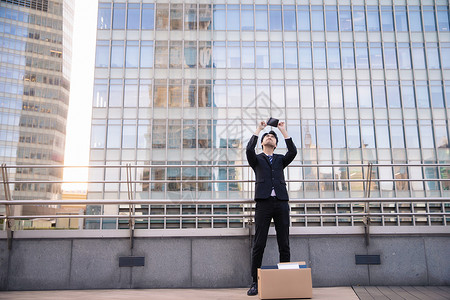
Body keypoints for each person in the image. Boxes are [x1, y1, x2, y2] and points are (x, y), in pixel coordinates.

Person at [246, 120, 297, 296]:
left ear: (275, 144)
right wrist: (259, 129)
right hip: (263, 203)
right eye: (266, 136)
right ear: (262, 143)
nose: (269, 137)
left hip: (281, 203)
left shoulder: (280, 160)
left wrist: (282, 130)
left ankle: (286, 281)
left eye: (272, 137)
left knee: (284, 244)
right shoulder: (257, 160)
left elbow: (293, 151)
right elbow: (248, 150)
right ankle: (255, 282)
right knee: (259, 244)